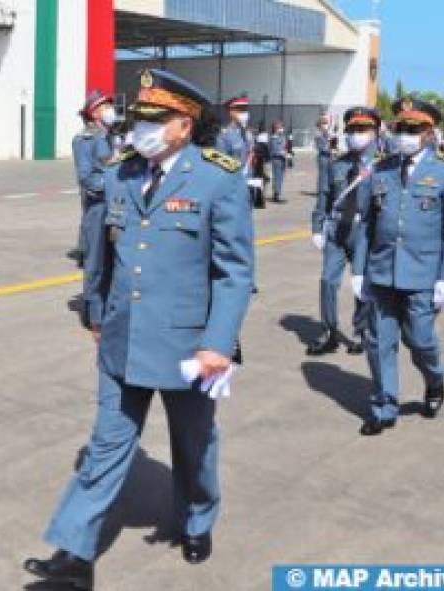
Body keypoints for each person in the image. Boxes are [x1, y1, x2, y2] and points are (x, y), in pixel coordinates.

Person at [23, 68, 254, 588]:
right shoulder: (120, 172)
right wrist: (97, 313)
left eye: (157, 119)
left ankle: (197, 521)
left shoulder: (219, 178)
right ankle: (75, 554)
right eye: (140, 118)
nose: (142, 128)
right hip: (124, 338)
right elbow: (102, 252)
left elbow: (235, 272)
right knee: (107, 444)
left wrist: (218, 344)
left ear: (185, 126)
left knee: (193, 444)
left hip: (188, 345)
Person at [351, 97, 444, 436]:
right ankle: (384, 407)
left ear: (429, 132)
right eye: (400, 127)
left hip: (423, 276)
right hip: (382, 271)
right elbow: (367, 226)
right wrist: (359, 270)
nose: (404, 134)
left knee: (420, 340)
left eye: (412, 128)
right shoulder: (383, 169)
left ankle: (435, 381)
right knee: (379, 342)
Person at [307, 107, 381, 356]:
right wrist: (317, 226)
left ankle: (361, 332)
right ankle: (329, 331)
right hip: (338, 229)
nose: (356, 134)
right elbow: (324, 196)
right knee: (328, 281)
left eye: (362, 129)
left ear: (374, 132)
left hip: (364, 231)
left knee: (361, 285)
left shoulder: (383, 165)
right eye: (351, 130)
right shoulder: (337, 164)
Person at [72, 90, 115, 327]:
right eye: (104, 106)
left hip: (115, 208)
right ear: (94, 112)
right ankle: (94, 314)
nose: (110, 110)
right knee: (96, 262)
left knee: (113, 261)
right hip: (97, 208)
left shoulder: (112, 137)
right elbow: (87, 179)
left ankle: (108, 307)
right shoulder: (85, 139)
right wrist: (115, 186)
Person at [268, 120, 288, 203]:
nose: (281, 129)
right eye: (280, 127)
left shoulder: (282, 137)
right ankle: (276, 195)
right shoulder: (273, 138)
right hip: (276, 159)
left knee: (281, 178)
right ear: (275, 129)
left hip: (282, 159)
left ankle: (278, 193)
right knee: (277, 177)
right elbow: (274, 150)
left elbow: (284, 147)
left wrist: (287, 152)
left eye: (282, 127)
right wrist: (281, 152)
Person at [315, 114, 334, 196]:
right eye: (324, 124)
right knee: (323, 174)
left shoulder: (326, 133)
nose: (326, 125)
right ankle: (321, 190)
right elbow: (321, 147)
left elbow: (330, 140)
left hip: (328, 156)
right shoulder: (318, 134)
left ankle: (325, 189)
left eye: (326, 123)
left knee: (328, 174)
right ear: (320, 125)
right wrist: (330, 149)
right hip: (323, 156)